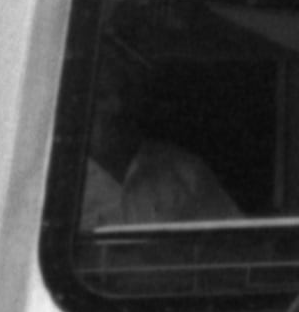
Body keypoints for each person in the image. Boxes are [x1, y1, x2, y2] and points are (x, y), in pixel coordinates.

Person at [81, 73, 240, 228]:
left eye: (124, 93)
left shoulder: (184, 171)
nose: (117, 107)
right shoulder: (63, 179)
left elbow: (235, 242)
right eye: (100, 95)